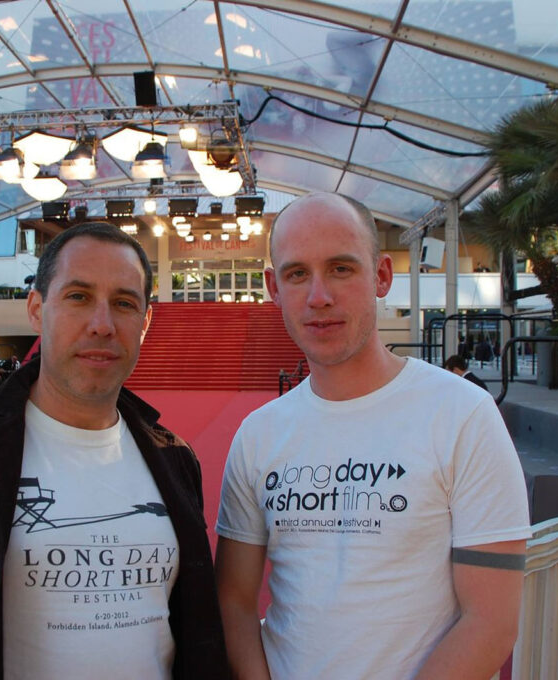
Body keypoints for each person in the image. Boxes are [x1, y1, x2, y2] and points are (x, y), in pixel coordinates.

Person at [0, 222, 227, 679]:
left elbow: (194, 628)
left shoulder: (175, 458)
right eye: (78, 297)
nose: (102, 324)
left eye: (124, 303)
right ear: (36, 308)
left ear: (145, 322)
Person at [214, 193, 530, 679]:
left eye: (341, 268)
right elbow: (234, 601)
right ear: (274, 288)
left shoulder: (463, 415)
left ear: (382, 276)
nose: (319, 296)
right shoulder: (258, 435)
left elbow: (490, 621)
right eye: (298, 274)